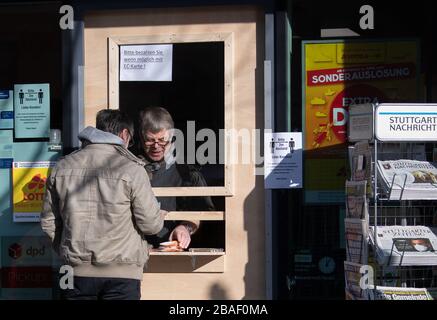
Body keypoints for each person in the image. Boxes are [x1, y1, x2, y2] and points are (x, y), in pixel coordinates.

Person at [40, 109, 165, 300]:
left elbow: (49, 223)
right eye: (130, 140)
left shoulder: (61, 167)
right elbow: (151, 225)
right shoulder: (132, 170)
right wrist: (159, 214)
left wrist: (69, 252)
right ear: (124, 135)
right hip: (122, 275)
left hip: (73, 273)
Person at [137, 106, 215, 249]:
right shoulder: (129, 169)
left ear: (172, 137)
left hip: (174, 252)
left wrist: (185, 227)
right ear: (141, 138)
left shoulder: (187, 173)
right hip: (134, 251)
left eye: (162, 140)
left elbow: (201, 211)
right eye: (150, 140)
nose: (156, 146)